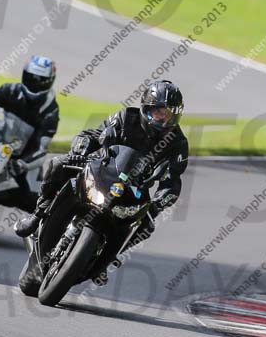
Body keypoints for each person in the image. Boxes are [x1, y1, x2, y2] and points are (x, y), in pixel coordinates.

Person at [15, 80, 188, 282]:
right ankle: (37, 215)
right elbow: (93, 135)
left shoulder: (178, 143)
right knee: (58, 164)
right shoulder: (126, 117)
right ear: (146, 108)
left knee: (146, 226)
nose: (162, 118)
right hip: (103, 169)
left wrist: (158, 204)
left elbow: (173, 182)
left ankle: (108, 259)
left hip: (135, 189)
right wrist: (79, 152)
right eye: (158, 111)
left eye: (168, 113)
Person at [0, 55, 59, 217]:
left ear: (49, 81)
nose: (35, 84)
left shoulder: (50, 111)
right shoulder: (9, 90)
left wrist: (22, 164)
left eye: (40, 80)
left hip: (20, 159)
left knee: (38, 203)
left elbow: (41, 148)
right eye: (31, 78)